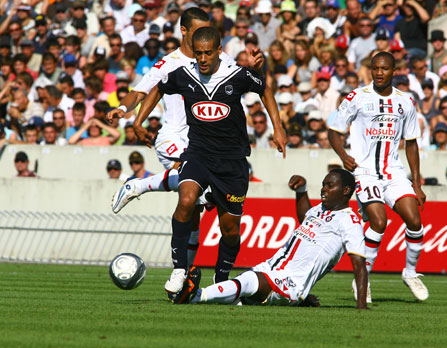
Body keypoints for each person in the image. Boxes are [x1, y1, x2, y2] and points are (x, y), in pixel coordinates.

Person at [130, 26, 286, 299]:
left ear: (218, 51)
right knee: (187, 200)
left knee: (229, 230)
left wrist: (278, 127)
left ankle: (221, 279)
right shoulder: (183, 74)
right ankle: (180, 269)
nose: (202, 58)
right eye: (198, 53)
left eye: (207, 53)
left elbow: (266, 90)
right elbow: (158, 89)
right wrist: (138, 120)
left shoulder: (237, 74)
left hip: (232, 162)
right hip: (198, 154)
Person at [109, 8, 265, 278]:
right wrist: (125, 112)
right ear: (184, 31)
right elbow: (140, 92)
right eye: (198, 31)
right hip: (173, 138)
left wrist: (253, 69)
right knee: (194, 192)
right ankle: (141, 184)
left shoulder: (218, 57)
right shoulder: (168, 63)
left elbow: (241, 79)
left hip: (205, 141)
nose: (205, 38)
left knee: (194, 212)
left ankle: (185, 274)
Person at [172, 170, 369, 309]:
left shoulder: (350, 221)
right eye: (324, 184)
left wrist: (361, 305)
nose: (324, 189)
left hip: (290, 281)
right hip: (271, 268)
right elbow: (304, 218)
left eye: (330, 186)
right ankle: (202, 296)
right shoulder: (321, 209)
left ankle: (195, 296)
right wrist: (302, 190)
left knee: (247, 282)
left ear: (345, 191)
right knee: (242, 290)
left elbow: (359, 263)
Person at [328, 52, 428, 302]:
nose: (379, 72)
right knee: (379, 222)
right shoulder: (357, 97)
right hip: (364, 172)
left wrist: (416, 183)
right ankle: (364, 279)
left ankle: (410, 272)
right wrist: (343, 155)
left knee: (414, 220)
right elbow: (334, 130)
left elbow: (412, 143)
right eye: (375, 68)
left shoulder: (406, 102)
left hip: (393, 172)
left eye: (384, 68)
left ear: (394, 71)